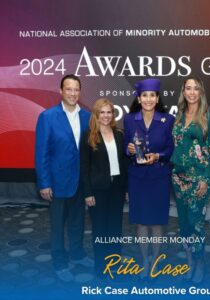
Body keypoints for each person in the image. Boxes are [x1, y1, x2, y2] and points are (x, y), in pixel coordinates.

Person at [35, 74, 93, 282]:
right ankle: (59, 262)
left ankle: (77, 254)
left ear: (80, 92)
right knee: (58, 225)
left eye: (76, 89)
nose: (72, 93)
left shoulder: (87, 117)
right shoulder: (47, 117)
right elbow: (41, 153)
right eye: (68, 89)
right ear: (61, 91)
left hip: (80, 182)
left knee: (78, 221)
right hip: (57, 183)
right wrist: (44, 183)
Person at [171, 76, 210, 283]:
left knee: (196, 224)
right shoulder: (179, 116)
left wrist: (205, 180)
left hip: (198, 180)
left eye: (195, 89)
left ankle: (200, 264)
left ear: (201, 92)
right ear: (183, 92)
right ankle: (190, 263)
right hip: (178, 179)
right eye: (188, 88)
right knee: (184, 224)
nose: (191, 92)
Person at [124, 78, 174, 278]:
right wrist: (128, 149)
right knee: (141, 222)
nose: (148, 99)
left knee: (157, 222)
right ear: (139, 97)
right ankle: (145, 259)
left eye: (152, 95)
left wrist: (158, 156)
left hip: (159, 177)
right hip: (137, 177)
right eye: (144, 95)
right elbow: (125, 146)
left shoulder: (167, 120)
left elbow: (171, 148)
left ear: (157, 97)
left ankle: (156, 259)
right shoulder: (129, 119)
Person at [80, 98, 128, 279]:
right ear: (96, 114)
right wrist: (87, 192)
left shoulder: (120, 134)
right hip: (97, 190)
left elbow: (124, 163)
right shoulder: (88, 136)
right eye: (102, 112)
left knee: (115, 228)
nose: (106, 116)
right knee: (100, 229)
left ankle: (114, 265)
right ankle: (101, 268)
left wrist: (126, 188)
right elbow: (84, 167)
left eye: (109, 112)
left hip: (117, 187)